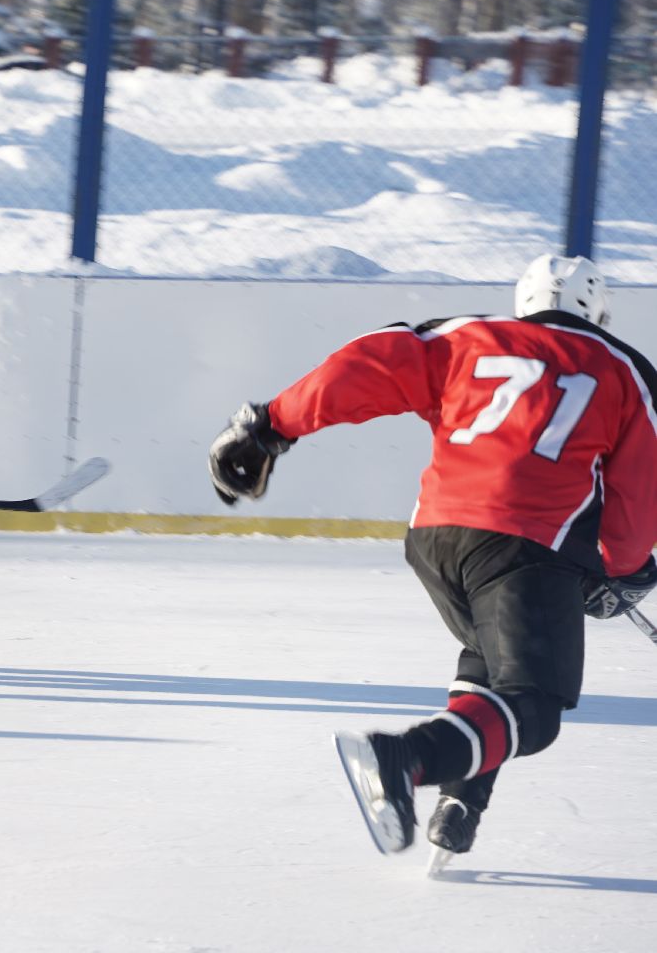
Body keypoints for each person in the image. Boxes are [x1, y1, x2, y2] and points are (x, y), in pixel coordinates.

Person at [207, 254, 657, 861]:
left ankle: (461, 802)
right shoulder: (624, 369)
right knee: (534, 705)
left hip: (435, 538)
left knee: (493, 659)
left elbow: (368, 366)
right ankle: (407, 758)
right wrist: (624, 567)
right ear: (600, 313)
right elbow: (638, 494)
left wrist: (272, 425)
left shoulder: (467, 336)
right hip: (525, 545)